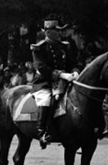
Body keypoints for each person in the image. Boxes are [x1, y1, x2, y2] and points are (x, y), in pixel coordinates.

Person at [31, 13, 80, 148]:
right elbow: (41, 68)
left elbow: (72, 62)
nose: (60, 33)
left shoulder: (65, 46)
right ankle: (42, 132)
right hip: (44, 82)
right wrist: (61, 75)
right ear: (48, 31)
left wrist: (75, 71)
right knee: (46, 100)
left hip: (65, 81)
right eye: (57, 30)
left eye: (60, 30)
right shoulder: (39, 47)